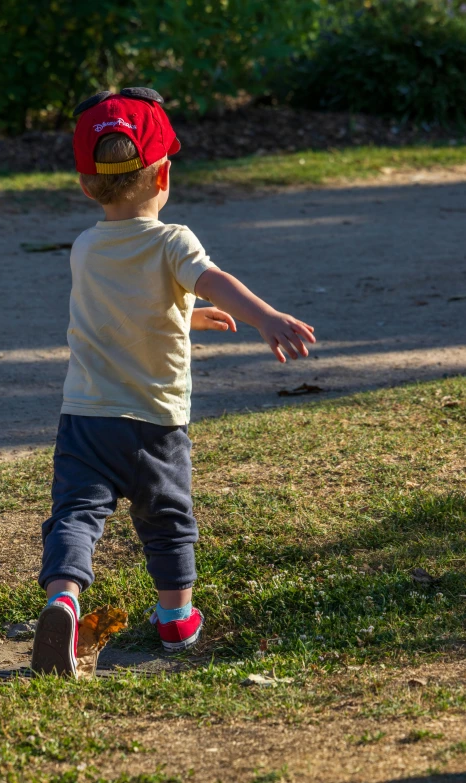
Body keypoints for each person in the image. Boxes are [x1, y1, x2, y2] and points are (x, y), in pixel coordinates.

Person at [31, 87, 315, 677]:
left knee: (76, 515)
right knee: (167, 519)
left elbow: (121, 311)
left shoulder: (84, 248)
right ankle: (175, 620)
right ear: (165, 176)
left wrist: (184, 315)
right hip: (155, 424)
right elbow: (213, 278)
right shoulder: (172, 239)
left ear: (86, 185)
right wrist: (266, 317)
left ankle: (63, 598)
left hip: (85, 420)